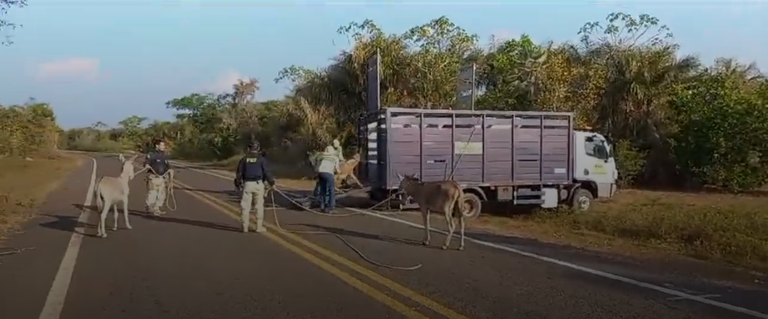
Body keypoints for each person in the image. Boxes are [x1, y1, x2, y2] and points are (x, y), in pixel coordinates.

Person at [235, 141, 275, 233]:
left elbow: (239, 174)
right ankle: (258, 227)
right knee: (259, 206)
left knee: (245, 206)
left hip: (247, 184)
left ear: (248, 149)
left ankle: (244, 227)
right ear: (258, 149)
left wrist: (237, 184)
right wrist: (271, 183)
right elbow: (266, 172)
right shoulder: (262, 160)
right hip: (258, 184)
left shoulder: (244, 160)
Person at [144, 139, 171, 216]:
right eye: (162, 145)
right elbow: (146, 163)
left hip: (162, 178)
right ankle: (150, 207)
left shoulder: (164, 156)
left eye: (164, 145)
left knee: (162, 194)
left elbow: (168, 166)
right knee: (152, 193)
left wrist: (170, 172)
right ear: (157, 146)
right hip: (153, 177)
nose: (163, 147)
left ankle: (157, 208)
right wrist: (146, 165)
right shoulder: (151, 155)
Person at [315, 145, 340, 213]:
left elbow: (316, 167)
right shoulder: (335, 158)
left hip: (320, 173)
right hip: (328, 173)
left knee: (323, 189)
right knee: (331, 190)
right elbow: (337, 169)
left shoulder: (321, 156)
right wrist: (338, 172)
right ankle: (330, 207)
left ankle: (322, 205)